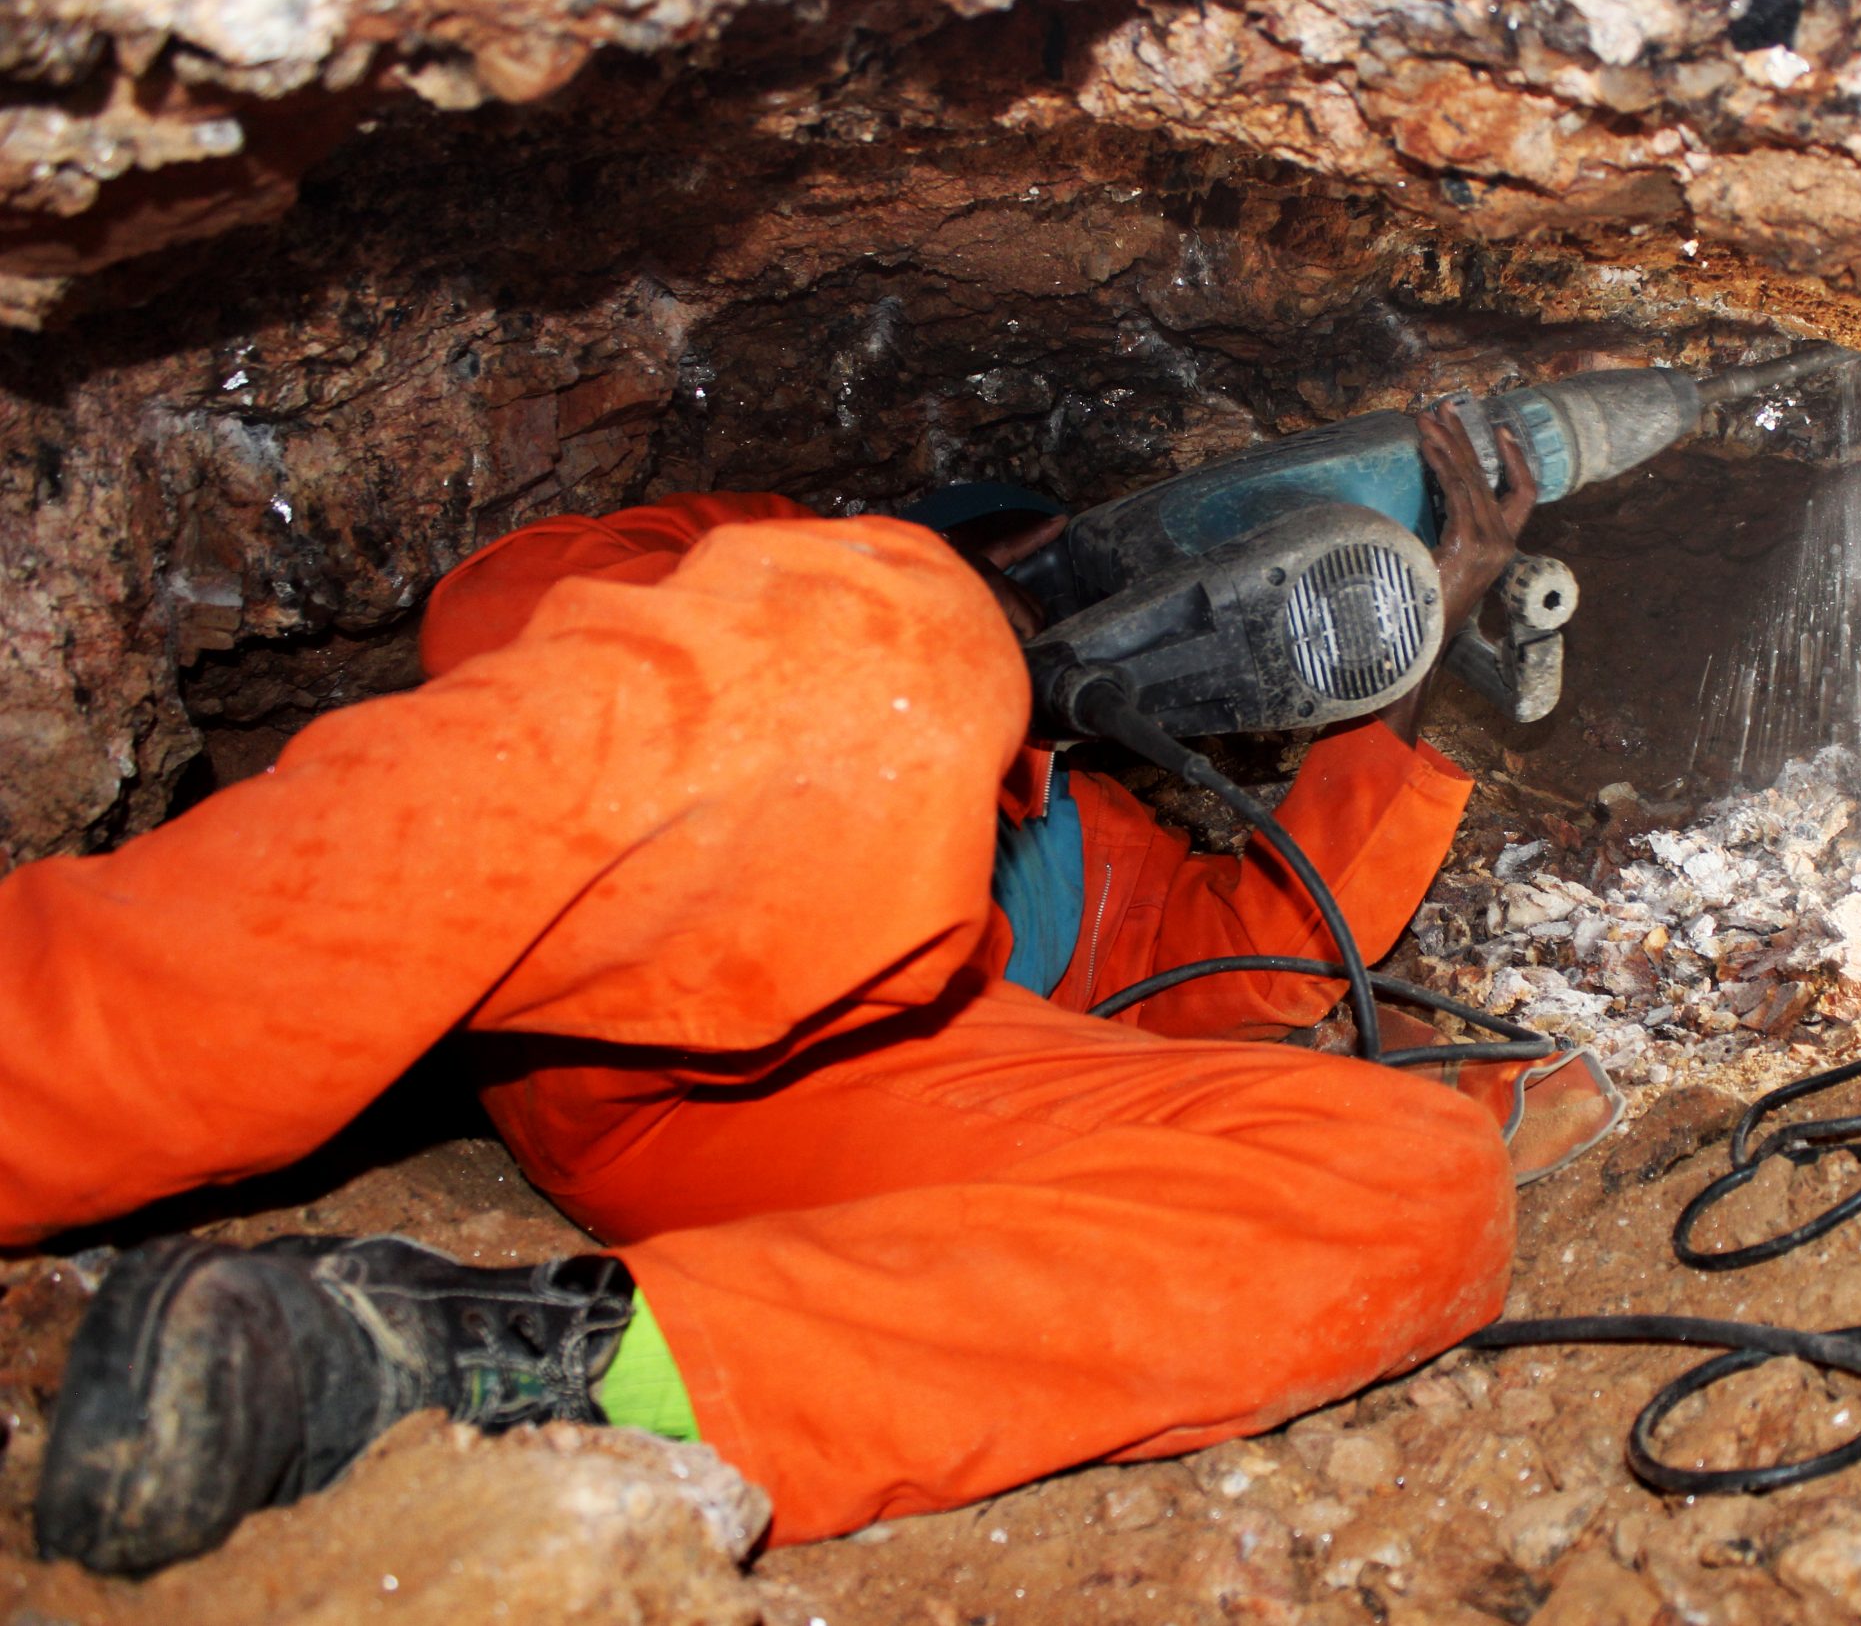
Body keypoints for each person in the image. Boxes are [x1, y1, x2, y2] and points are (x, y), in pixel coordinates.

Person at [5, 404, 1601, 1575]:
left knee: (1417, 1185)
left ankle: (497, 1369)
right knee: (882, 658)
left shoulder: (1081, 831)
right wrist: (930, 598)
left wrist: (1432, 649)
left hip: (785, 1121)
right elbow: (503, 626)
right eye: (1021, 561)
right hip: (589, 983)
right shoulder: (790, 601)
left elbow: (1258, 956)